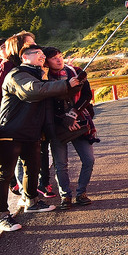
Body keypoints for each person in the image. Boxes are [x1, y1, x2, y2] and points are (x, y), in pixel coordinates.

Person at [0, 44, 81, 231]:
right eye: (37, 54)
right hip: (12, 132)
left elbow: (49, 93)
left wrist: (72, 86)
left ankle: (32, 202)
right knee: (5, 174)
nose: (42, 57)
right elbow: (32, 90)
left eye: (43, 54)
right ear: (25, 56)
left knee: (32, 170)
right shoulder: (17, 75)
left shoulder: (39, 76)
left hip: (32, 133)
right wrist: (64, 85)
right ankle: (2, 215)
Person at [43, 46, 96, 210]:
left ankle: (81, 193)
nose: (59, 60)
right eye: (54, 58)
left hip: (79, 120)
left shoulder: (76, 71)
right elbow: (46, 101)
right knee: (61, 164)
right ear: (46, 61)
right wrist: (63, 119)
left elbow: (87, 95)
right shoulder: (43, 77)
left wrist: (74, 113)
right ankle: (65, 196)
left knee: (88, 159)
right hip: (56, 125)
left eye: (60, 56)